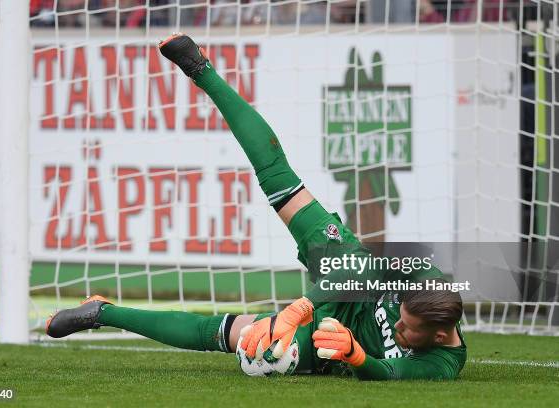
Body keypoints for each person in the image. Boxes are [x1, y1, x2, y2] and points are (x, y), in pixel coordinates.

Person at [46, 33, 467, 380]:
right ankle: (201, 69)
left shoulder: (441, 364)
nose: (397, 327)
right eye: (401, 318)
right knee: (279, 179)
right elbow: (359, 272)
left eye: (406, 330)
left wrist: (355, 354)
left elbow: (387, 376)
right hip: (346, 274)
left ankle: (102, 312)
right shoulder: (421, 275)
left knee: (240, 339)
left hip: (335, 344)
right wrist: (300, 308)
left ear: (440, 335)